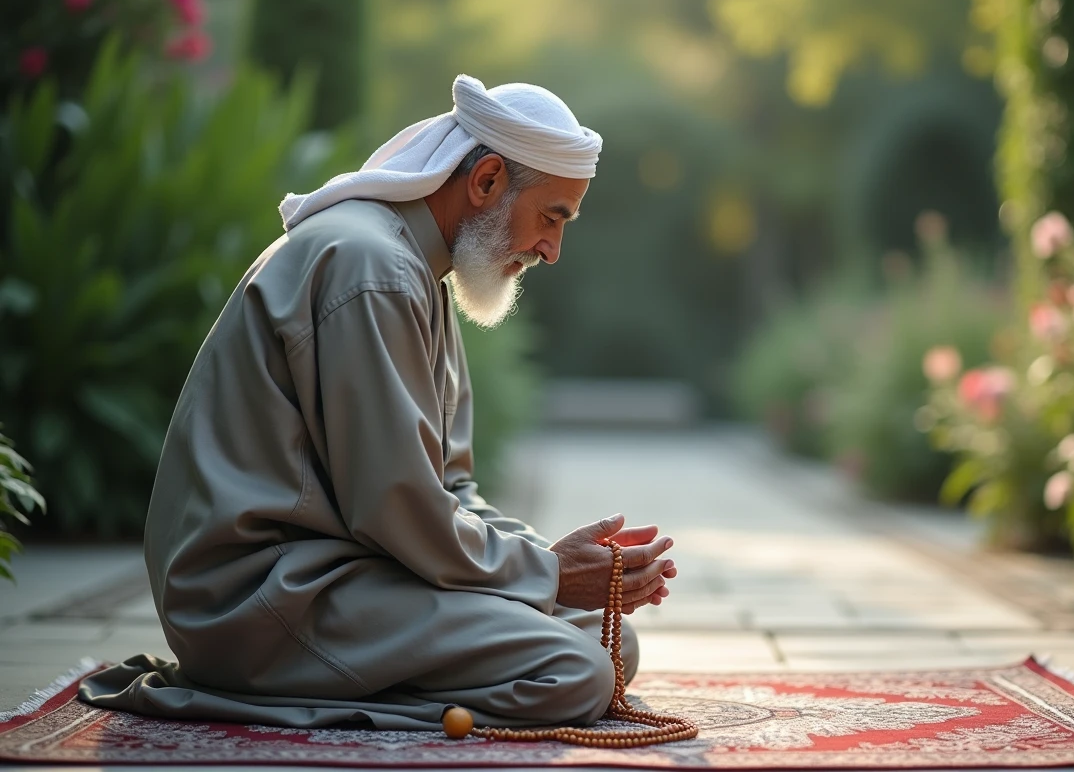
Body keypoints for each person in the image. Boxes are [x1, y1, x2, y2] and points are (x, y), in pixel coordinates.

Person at [79, 75, 677, 730]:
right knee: (576, 673)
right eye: (551, 217)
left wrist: (559, 564)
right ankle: (254, 697)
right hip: (260, 599)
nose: (552, 251)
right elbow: (395, 508)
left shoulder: (419, 273)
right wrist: (549, 573)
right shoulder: (373, 268)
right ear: (485, 182)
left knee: (611, 643)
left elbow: (450, 488)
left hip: (348, 573)